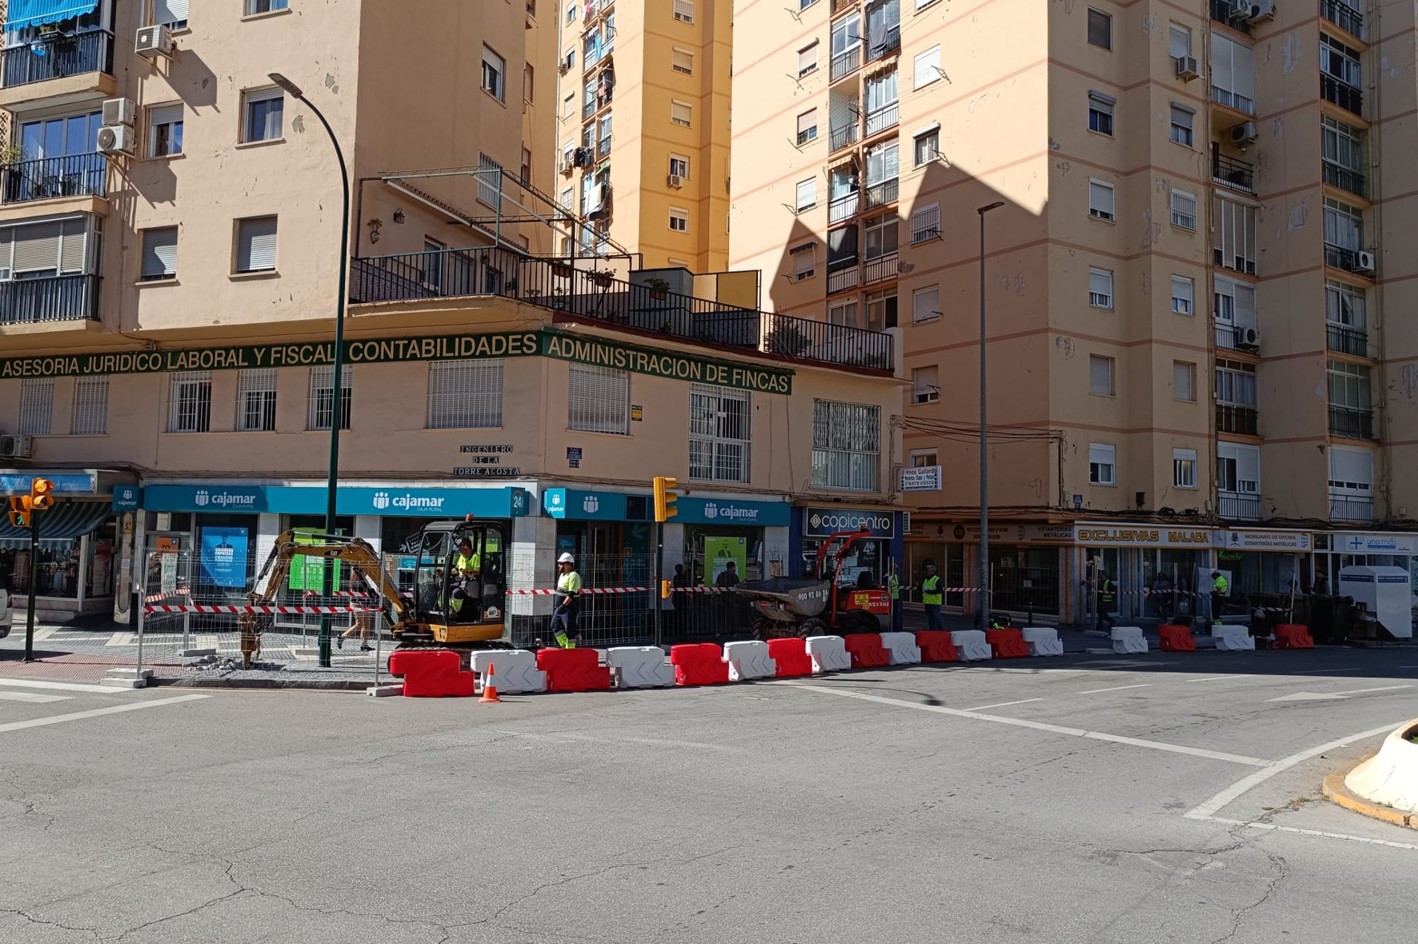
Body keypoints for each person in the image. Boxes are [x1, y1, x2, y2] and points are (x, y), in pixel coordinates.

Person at [551, 552, 583, 648]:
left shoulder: (574, 576)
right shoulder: (562, 575)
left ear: (567, 564)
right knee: (554, 625)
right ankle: (564, 644)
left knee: (569, 628)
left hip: (569, 608)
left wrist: (563, 606)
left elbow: (571, 594)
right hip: (560, 607)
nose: (558, 566)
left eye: (560, 564)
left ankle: (570, 648)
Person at [921, 563, 943, 631]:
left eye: (928, 570)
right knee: (930, 618)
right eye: (926, 570)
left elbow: (939, 590)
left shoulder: (937, 579)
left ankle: (941, 631)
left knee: (936, 617)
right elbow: (923, 588)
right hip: (927, 602)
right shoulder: (926, 579)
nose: (927, 572)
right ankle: (932, 631)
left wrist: (929, 591)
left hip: (935, 602)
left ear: (932, 571)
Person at [886, 566, 902, 633]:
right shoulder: (887, 576)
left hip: (896, 597)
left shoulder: (896, 576)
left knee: (896, 614)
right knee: (891, 614)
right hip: (890, 598)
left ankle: (896, 628)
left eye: (896, 568)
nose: (896, 570)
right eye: (895, 568)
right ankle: (891, 628)